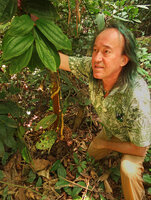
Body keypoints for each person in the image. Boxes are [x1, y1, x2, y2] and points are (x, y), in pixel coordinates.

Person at [59, 21, 151, 200]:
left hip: (136, 140)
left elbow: (140, 149)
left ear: (124, 59)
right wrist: (35, 26)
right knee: (91, 154)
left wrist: (107, 145)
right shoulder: (94, 69)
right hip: (112, 129)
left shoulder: (136, 97)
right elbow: (62, 61)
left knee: (128, 170)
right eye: (95, 50)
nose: (96, 58)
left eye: (106, 51)